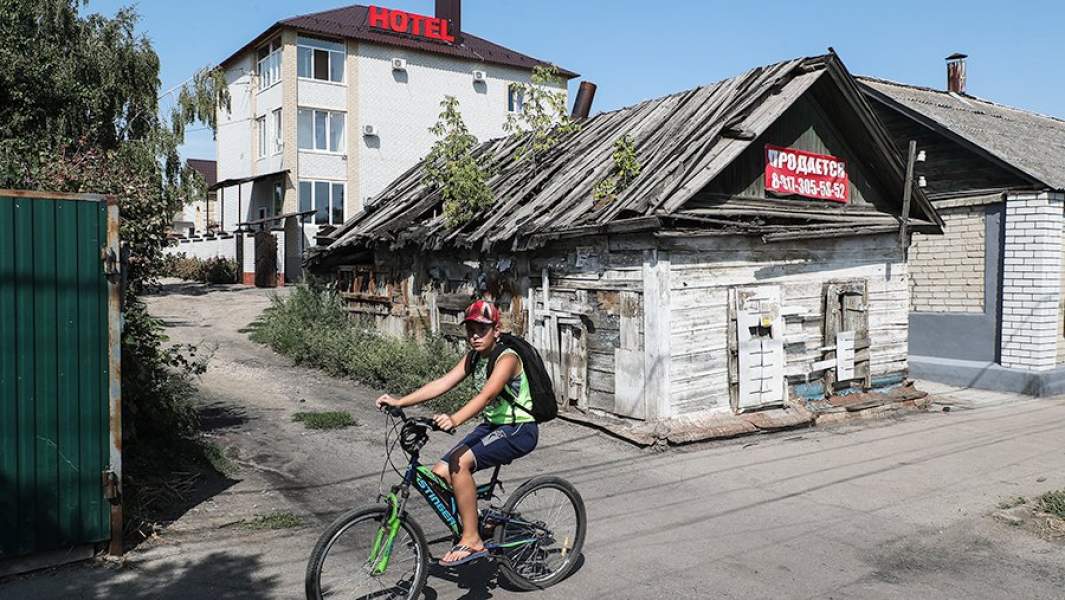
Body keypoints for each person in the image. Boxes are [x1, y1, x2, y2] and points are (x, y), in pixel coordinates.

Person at [375, 299, 538, 567]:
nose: (475, 335)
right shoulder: (475, 356)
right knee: (439, 473)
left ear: (496, 330)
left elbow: (487, 396)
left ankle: (471, 538)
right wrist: (400, 401)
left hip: (518, 428)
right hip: (494, 426)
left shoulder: (507, 357)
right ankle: (474, 522)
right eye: (470, 329)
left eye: (482, 329)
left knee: (459, 463)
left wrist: (455, 419)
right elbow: (443, 383)